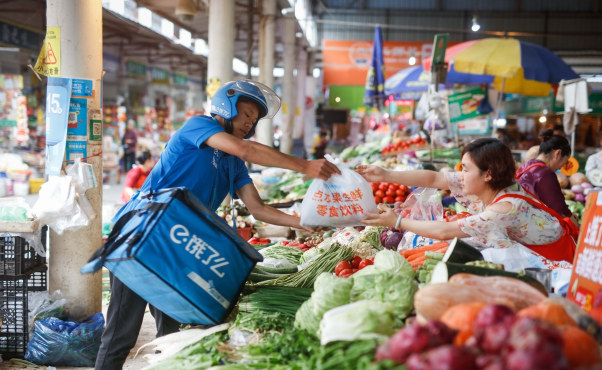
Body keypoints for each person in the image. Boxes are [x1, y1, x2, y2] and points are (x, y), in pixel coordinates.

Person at [95, 80, 339, 370]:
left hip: (178, 245)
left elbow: (257, 209)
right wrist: (305, 166)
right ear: (227, 105)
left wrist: (303, 222)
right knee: (122, 333)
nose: (249, 123)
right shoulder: (198, 126)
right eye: (247, 114)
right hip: (143, 236)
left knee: (172, 337)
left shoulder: (233, 162)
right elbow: (246, 149)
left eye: (254, 120)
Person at [357, 138, 576, 264]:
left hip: (559, 262)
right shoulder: (493, 184)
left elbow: (445, 231)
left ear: (488, 174)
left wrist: (397, 222)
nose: (460, 174)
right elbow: (435, 178)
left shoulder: (505, 209)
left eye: (466, 169)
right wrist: (385, 174)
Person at [515, 130, 577, 224]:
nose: (563, 165)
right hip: (535, 228)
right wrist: (575, 222)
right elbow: (560, 210)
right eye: (566, 160)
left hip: (521, 223)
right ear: (557, 154)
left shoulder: (525, 167)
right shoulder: (545, 173)